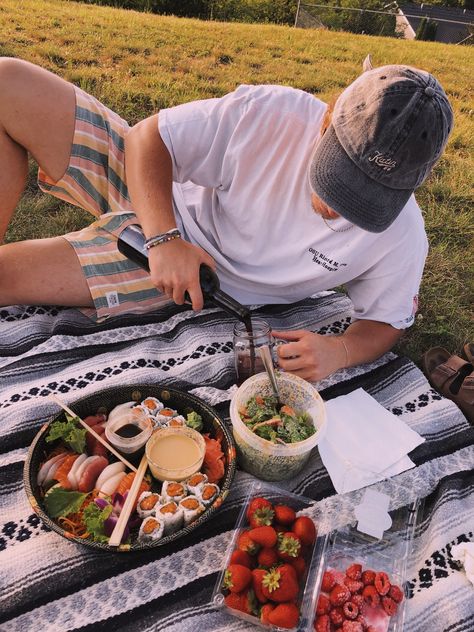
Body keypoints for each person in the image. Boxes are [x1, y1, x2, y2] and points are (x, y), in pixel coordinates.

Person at [0, 55, 453, 381]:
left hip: (192, 283)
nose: (338, 208)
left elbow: (387, 321)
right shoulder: (272, 113)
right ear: (326, 120)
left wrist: (340, 350)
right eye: (338, 176)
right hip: (157, 197)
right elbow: (148, 139)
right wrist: (163, 239)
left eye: (367, 198)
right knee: (9, 82)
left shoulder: (402, 235)